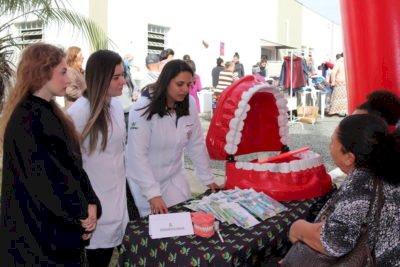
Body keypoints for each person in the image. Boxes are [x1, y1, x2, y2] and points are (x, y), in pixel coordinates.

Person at [0, 43, 101, 266]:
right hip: (38, 236)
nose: (69, 79)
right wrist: (80, 212)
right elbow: (46, 182)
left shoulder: (49, 112)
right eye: (63, 72)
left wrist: (91, 201)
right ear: (43, 73)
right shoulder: (27, 119)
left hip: (53, 230)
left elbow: (73, 167)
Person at [287, 114, 400, 266]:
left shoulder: (362, 182)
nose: (329, 147)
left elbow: (334, 243)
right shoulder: (388, 167)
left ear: (349, 157)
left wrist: (298, 227)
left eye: (332, 142)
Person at [126, 59, 220, 217]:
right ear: (166, 81)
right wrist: (152, 193)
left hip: (173, 176)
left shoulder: (188, 103)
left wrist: (207, 178)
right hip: (146, 180)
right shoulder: (142, 108)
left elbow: (196, 144)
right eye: (180, 84)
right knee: (155, 228)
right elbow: (137, 155)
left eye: (189, 85)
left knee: (185, 217)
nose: (185, 89)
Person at [67, 50, 129, 267]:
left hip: (118, 203)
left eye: (123, 75)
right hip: (93, 208)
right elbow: (68, 165)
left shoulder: (117, 107)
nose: (123, 81)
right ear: (100, 78)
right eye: (116, 77)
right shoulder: (79, 113)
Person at [328, 52, 347, 116]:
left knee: (337, 98)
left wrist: (333, 81)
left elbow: (333, 72)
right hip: (345, 82)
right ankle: (343, 111)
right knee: (344, 98)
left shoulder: (339, 62)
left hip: (339, 82)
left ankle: (336, 111)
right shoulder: (347, 61)